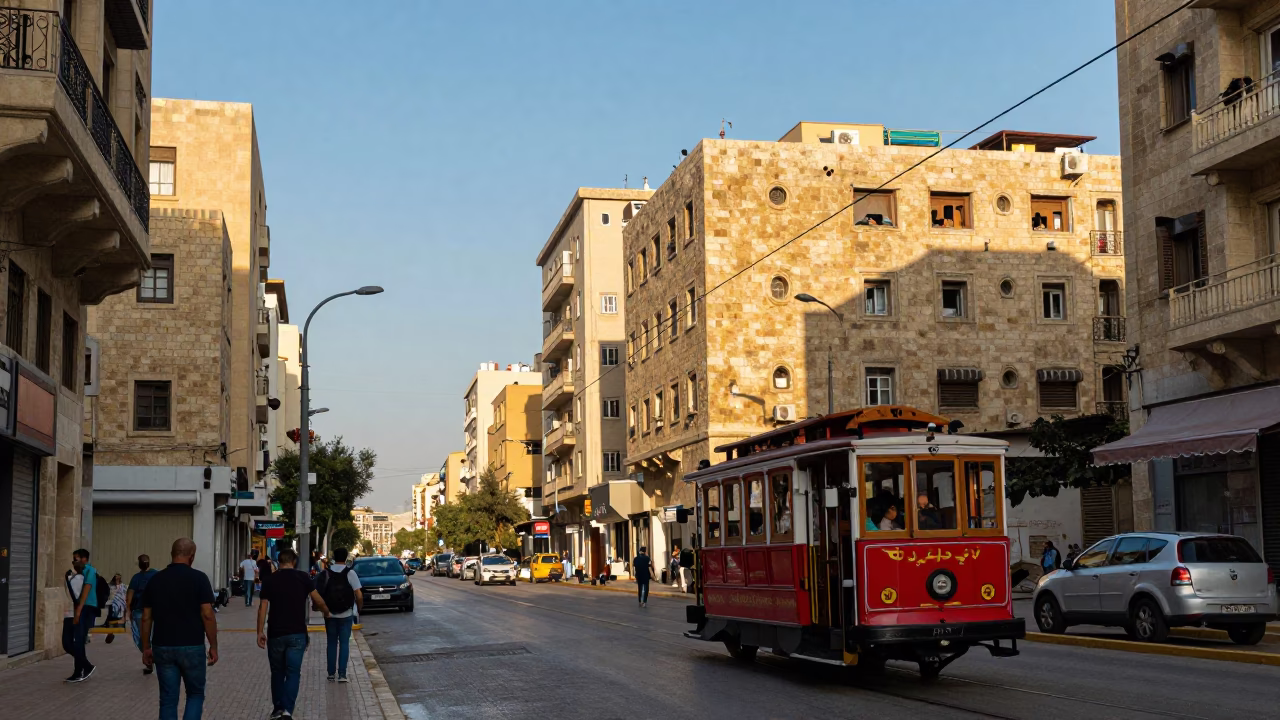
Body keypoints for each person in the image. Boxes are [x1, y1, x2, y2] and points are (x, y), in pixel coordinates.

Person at [141, 538, 218, 720]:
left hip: (163, 646)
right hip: (192, 646)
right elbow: (207, 614)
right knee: (195, 694)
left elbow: (146, 617)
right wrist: (213, 645)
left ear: (172, 554)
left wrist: (146, 647)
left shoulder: (155, 580)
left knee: (168, 699)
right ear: (192, 557)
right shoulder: (199, 578)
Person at [258, 549, 330, 720]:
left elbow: (262, 608)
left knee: (277, 672)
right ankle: (287, 710)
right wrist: (326, 612)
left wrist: (259, 631)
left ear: (279, 561)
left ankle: (277, 709)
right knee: (293, 672)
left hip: (275, 633)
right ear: (294, 562)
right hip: (297, 633)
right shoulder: (303, 578)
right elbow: (317, 599)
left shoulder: (269, 581)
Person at [316, 547, 363, 682]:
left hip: (329, 614)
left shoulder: (326, 573)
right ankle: (342, 674)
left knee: (331, 643)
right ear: (347, 557)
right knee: (344, 644)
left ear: (334, 557)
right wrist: (359, 608)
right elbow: (358, 595)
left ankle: (331, 673)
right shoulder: (351, 573)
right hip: (346, 614)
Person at [62, 548, 101, 682]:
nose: (74, 561)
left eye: (76, 558)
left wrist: (78, 611)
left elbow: (86, 590)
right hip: (72, 610)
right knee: (67, 643)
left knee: (78, 641)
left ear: (84, 559)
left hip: (86, 608)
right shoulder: (75, 572)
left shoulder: (90, 571)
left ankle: (79, 671)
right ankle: (86, 665)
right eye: (73, 558)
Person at [126, 554, 159, 674]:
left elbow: (129, 596)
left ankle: (149, 659)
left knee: (142, 638)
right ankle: (152, 658)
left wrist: (128, 611)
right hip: (156, 610)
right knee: (153, 636)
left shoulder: (136, 578)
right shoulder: (157, 574)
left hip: (140, 610)